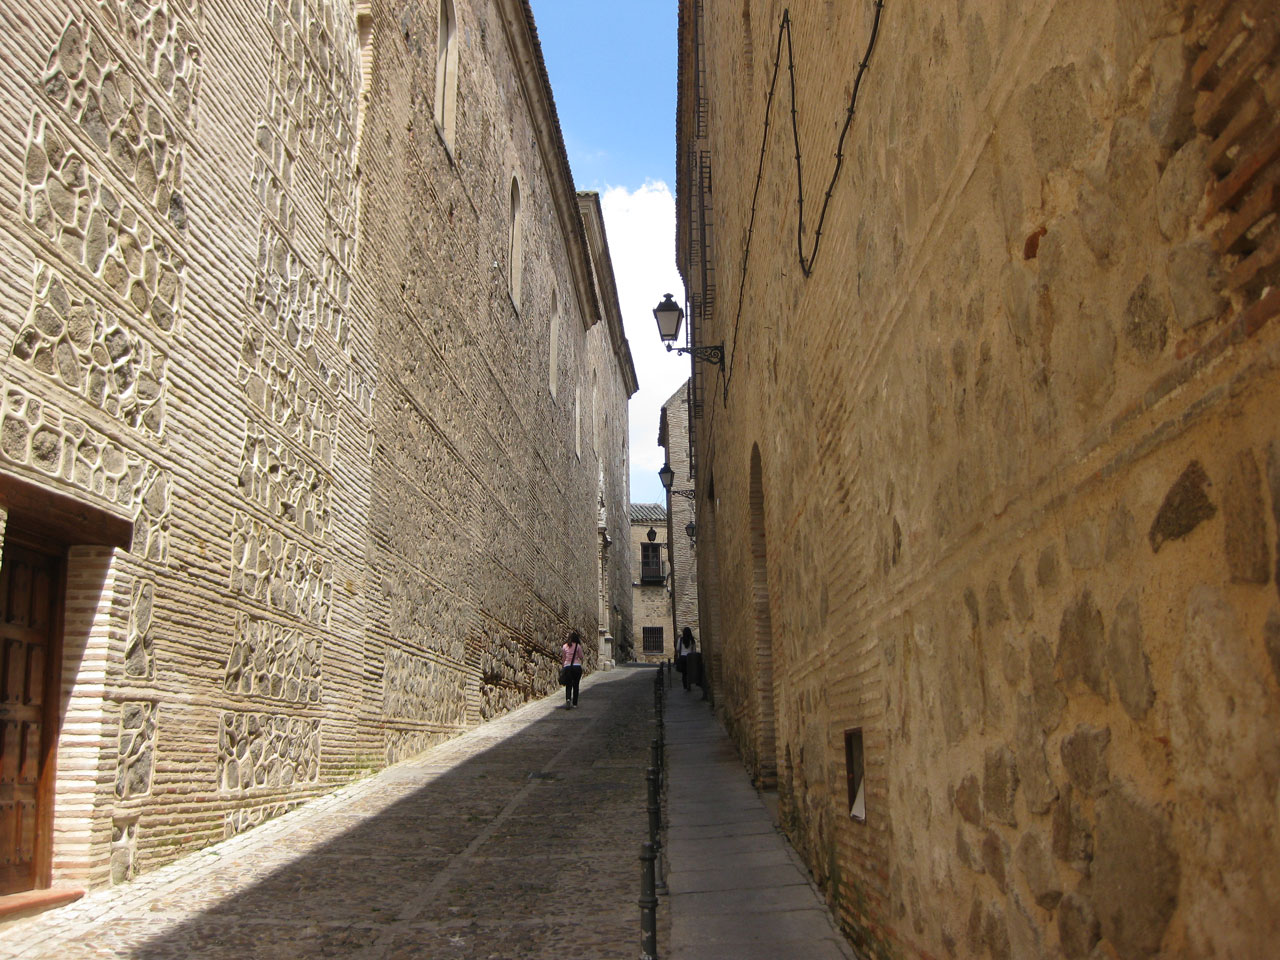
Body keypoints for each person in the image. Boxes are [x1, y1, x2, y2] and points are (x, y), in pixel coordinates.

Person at [561, 630, 584, 709]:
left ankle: (568, 699)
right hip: (577, 667)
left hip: (567, 667)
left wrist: (563, 666)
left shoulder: (564, 646)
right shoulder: (578, 646)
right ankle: (575, 703)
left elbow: (563, 658)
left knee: (568, 685)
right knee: (576, 685)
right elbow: (581, 657)